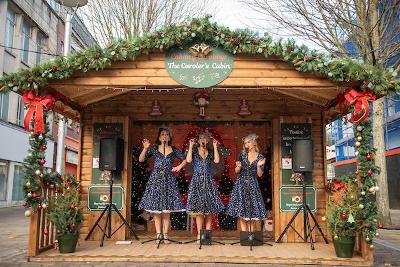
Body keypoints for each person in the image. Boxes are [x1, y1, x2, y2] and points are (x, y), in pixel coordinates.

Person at [138, 128, 186, 243]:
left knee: (166, 210)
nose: (164, 136)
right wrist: (145, 149)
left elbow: (185, 160)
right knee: (156, 209)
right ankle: (158, 234)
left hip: (169, 180)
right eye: (162, 134)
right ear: (159, 137)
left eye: (167, 135)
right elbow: (141, 159)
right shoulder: (154, 148)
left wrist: (179, 167)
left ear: (169, 137)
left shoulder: (174, 150)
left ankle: (165, 235)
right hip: (156, 180)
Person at [186, 131, 224, 242]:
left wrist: (215, 147)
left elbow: (217, 161)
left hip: (208, 181)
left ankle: (207, 236)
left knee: (209, 210)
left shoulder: (211, 151)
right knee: (199, 211)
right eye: (201, 138)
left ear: (207, 140)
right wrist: (191, 146)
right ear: (198, 140)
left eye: (205, 138)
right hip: (197, 181)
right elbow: (188, 160)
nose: (203, 139)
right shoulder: (194, 150)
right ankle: (199, 235)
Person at [227, 133, 267, 232]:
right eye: (245, 143)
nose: (247, 144)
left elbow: (260, 174)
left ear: (254, 143)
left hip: (252, 184)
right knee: (241, 210)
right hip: (241, 184)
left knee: (251, 212)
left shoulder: (260, 157)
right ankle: (244, 236)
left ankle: (251, 236)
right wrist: (239, 167)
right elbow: (236, 171)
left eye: (248, 142)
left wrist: (258, 166)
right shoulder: (242, 155)